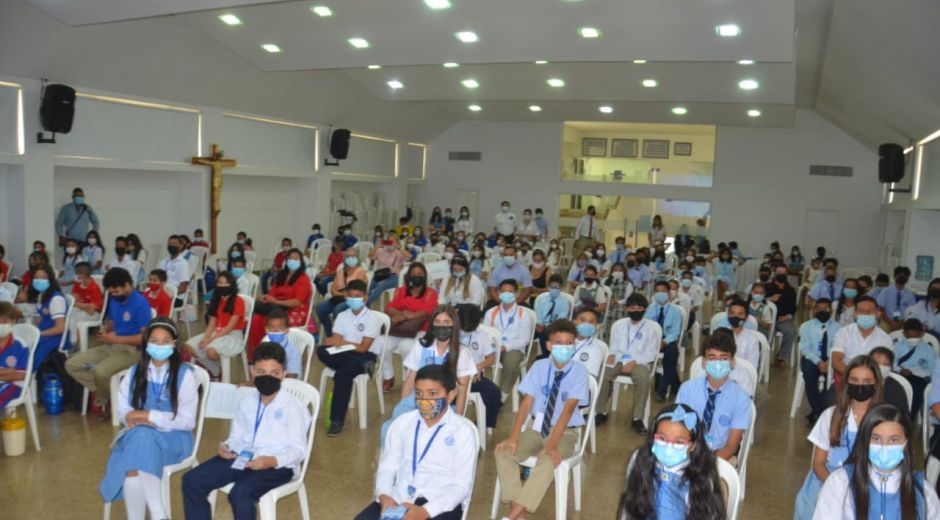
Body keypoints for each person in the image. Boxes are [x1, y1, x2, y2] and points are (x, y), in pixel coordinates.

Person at [183, 342, 310, 520]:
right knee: (192, 480)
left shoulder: (292, 407)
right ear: (252, 372)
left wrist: (271, 461)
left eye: (274, 373)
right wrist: (227, 446)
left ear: (282, 373)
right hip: (244, 456)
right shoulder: (247, 402)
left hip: (278, 466)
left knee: (240, 494)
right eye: (261, 372)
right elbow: (236, 437)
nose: (267, 377)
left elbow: (299, 451)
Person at [99, 318, 197, 520]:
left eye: (165, 341)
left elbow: (187, 420)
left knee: (138, 447)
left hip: (174, 438)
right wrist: (129, 416)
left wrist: (149, 415)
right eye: (154, 341)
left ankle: (155, 513)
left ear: (174, 344)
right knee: (140, 441)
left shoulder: (184, 375)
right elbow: (123, 406)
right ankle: (157, 514)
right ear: (146, 343)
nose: (160, 346)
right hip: (140, 434)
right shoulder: (136, 371)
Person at [494, 319, 590, 520]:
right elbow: (526, 404)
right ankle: (518, 513)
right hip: (535, 428)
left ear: (574, 345)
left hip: (564, 432)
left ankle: (511, 517)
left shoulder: (580, 371)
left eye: (569, 342)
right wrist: (513, 437)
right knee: (504, 452)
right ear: (548, 345)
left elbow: (567, 411)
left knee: (547, 461)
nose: (564, 347)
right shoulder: (539, 366)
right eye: (558, 342)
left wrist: (552, 445)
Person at [356, 365, 478, 520]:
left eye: (433, 393)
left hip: (439, 504)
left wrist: (426, 511)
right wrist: (385, 495)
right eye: (419, 393)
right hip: (400, 497)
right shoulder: (402, 424)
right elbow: (387, 468)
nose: (425, 400)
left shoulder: (463, 432)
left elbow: (461, 486)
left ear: (450, 395)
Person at [813, 403, 940, 519]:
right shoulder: (840, 482)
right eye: (876, 439)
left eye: (894, 440)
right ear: (865, 440)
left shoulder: (923, 491)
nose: (884, 447)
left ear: (906, 442)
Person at [794, 355, 882, 518]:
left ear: (876, 384)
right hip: (828, 479)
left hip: (868, 485)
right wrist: (838, 487)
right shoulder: (831, 415)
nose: (860, 386)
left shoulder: (884, 420)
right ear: (846, 383)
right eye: (854, 380)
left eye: (866, 381)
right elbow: (819, 464)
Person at [65, 268, 151, 419]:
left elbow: (145, 338)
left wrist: (116, 339)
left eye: (116, 291)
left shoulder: (141, 303)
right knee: (71, 364)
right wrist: (105, 332)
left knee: (100, 372)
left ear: (127, 285)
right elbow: (111, 323)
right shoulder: (114, 299)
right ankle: (111, 393)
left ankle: (106, 401)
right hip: (111, 345)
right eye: (111, 292)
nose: (114, 295)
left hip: (132, 350)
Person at [382, 306, 476, 443]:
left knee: (423, 433)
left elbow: (462, 390)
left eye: (446, 323)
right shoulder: (421, 346)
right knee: (390, 428)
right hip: (416, 400)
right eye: (437, 322)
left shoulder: (462, 352)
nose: (441, 326)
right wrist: (402, 405)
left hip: (442, 404)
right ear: (432, 325)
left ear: (454, 325)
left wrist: (458, 418)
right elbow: (410, 380)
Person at [619, 403, 726, 520]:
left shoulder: (701, 475)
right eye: (662, 438)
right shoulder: (639, 459)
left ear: (693, 445)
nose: (669, 447)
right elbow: (629, 505)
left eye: (679, 442)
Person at [317, 280, 382, 436]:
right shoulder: (342, 315)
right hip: (346, 355)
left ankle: (336, 421)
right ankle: (358, 366)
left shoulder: (371, 318)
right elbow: (334, 341)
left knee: (342, 374)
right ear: (346, 297)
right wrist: (338, 343)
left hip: (366, 355)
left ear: (365, 298)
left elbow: (363, 348)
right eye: (350, 296)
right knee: (321, 350)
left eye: (357, 296)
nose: (353, 299)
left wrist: (343, 342)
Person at [676, 331, 752, 462]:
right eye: (712, 358)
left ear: (732, 362)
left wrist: (708, 462)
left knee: (721, 478)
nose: (717, 363)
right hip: (688, 449)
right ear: (704, 362)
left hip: (721, 454)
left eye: (723, 358)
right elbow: (678, 428)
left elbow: (732, 446)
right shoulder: (687, 389)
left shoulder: (741, 399)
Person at [598, 293, 662, 433]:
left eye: (640, 308)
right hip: (619, 358)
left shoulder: (652, 327)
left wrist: (634, 362)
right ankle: (600, 412)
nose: (636, 311)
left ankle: (637, 418)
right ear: (627, 309)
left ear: (645, 309)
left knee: (643, 378)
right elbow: (613, 346)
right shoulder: (619, 325)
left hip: (640, 361)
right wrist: (610, 355)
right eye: (632, 308)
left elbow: (652, 352)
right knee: (603, 373)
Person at [381, 263, 439, 392]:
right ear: (409, 277)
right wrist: (402, 315)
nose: (417, 277)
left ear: (425, 276)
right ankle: (388, 376)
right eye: (413, 275)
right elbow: (389, 307)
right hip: (401, 329)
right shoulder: (402, 291)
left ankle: (412, 377)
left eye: (420, 274)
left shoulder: (431, 293)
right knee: (381, 343)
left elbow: (426, 312)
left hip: (421, 330)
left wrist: (407, 316)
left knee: (405, 346)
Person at [246, 249, 312, 355]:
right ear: (286, 261)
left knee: (269, 322)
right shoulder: (281, 275)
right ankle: (256, 353)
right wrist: (267, 297)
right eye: (290, 258)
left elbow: (297, 302)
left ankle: (272, 353)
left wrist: (276, 301)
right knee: (256, 319)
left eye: (296, 259)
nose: (293, 261)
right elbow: (273, 292)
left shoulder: (303, 278)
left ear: (301, 262)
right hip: (277, 306)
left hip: (295, 309)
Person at [184, 272, 246, 379]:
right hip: (217, 332)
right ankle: (215, 370)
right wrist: (205, 337)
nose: (222, 286)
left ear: (232, 285)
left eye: (226, 283)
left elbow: (229, 327)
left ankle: (218, 369)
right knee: (190, 346)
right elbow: (212, 323)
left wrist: (210, 340)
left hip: (232, 335)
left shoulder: (238, 301)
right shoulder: (216, 300)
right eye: (220, 283)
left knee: (211, 351)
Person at [484, 280, 533, 401]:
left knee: (511, 364)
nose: (507, 294)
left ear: (517, 293)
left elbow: (524, 339)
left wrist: (506, 347)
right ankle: (481, 392)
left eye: (511, 291)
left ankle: (501, 397)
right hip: (492, 347)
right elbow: (485, 333)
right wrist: (493, 346)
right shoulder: (491, 312)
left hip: (513, 348)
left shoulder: (523, 314)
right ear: (498, 293)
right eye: (503, 291)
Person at [458, 304, 503, 430]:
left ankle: (480, 427)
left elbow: (491, 357)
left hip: (474, 377)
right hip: (453, 376)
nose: (467, 328)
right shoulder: (451, 333)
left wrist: (478, 367)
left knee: (494, 393)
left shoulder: (482, 336)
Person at [799, 298, 841, 425]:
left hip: (831, 359)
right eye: (820, 308)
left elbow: (839, 348)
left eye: (826, 308)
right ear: (814, 310)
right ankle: (821, 414)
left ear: (831, 310)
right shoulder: (807, 326)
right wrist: (818, 362)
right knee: (809, 376)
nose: (823, 311)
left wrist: (828, 362)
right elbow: (805, 348)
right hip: (812, 358)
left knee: (835, 381)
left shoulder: (839, 328)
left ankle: (816, 412)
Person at [831, 296, 892, 383]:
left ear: (878, 313)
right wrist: (854, 376)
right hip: (846, 374)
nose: (866, 314)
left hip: (872, 379)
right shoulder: (843, 332)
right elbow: (836, 360)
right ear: (855, 314)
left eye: (870, 311)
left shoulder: (885, 338)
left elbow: (885, 366)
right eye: (861, 311)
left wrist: (867, 379)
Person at [316, 248, 368, 337]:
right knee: (320, 308)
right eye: (348, 256)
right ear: (345, 259)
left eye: (353, 256)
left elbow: (360, 290)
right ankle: (331, 334)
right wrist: (341, 294)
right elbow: (333, 290)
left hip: (354, 300)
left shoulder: (360, 272)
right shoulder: (341, 272)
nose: (351, 258)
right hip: (340, 298)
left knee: (338, 310)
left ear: (357, 258)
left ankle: (342, 335)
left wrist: (346, 295)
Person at [647, 281, 684, 401]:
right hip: (652, 340)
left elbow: (675, 332)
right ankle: (676, 385)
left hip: (668, 340)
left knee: (672, 352)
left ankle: (663, 389)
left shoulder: (676, 311)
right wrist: (654, 341)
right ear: (654, 294)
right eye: (657, 291)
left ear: (668, 294)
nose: (660, 294)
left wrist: (664, 342)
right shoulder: (650, 309)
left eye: (663, 291)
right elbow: (646, 327)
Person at [27, 264, 70, 364]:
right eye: (36, 277)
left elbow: (60, 328)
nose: (39, 280)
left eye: (43, 278)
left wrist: (38, 334)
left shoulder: (56, 299)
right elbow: (38, 320)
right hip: (44, 333)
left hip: (53, 338)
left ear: (50, 280)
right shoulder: (41, 295)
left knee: (28, 356)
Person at [893, 318, 934, 415]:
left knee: (917, 391)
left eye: (915, 337)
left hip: (920, 378)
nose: (912, 340)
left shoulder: (928, 349)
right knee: (898, 390)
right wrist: (900, 370)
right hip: (902, 375)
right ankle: (899, 415)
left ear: (921, 334)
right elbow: (892, 363)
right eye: (909, 337)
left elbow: (932, 368)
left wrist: (925, 374)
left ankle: (910, 417)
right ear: (904, 334)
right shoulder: (898, 346)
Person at [766, 263, 798, 367]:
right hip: (768, 318)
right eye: (779, 273)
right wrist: (770, 299)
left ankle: (782, 357)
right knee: (764, 332)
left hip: (782, 319)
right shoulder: (767, 287)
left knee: (790, 332)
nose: (781, 275)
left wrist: (787, 317)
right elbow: (759, 301)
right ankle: (763, 355)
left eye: (784, 273)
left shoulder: (790, 290)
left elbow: (793, 308)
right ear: (774, 273)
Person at [868, 347, 913, 418]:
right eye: (877, 363)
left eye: (886, 364)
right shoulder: (861, 383)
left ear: (890, 368)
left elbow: (901, 416)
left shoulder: (895, 388)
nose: (881, 367)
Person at [533, 274, 571, 358]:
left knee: (545, 333)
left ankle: (546, 356)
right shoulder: (542, 299)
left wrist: (547, 326)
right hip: (540, 325)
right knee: (528, 332)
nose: (554, 289)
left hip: (555, 326)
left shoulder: (565, 302)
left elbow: (562, 317)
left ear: (561, 287)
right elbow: (537, 312)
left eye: (557, 287)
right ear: (548, 286)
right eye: (552, 286)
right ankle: (524, 354)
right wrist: (539, 323)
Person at [0, 302, 29, 409]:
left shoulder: (20, 345)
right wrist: (8, 370)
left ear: (12, 322)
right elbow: (13, 371)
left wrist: (9, 372)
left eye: (4, 321)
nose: (1, 325)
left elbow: (21, 375)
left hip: (14, 385)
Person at [68, 262, 104, 346]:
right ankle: (74, 341)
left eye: (77, 274)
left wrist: (79, 304)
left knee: (74, 319)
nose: (75, 276)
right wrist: (84, 305)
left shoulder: (94, 287)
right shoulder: (78, 284)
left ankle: (74, 343)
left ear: (84, 274)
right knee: (70, 313)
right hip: (83, 310)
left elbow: (92, 310)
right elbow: (73, 299)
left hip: (95, 314)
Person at [366, 236, 405, 306]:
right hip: (380, 275)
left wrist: (399, 248)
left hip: (394, 277)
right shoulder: (380, 251)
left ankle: (365, 304)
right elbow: (369, 256)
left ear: (397, 243)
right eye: (389, 241)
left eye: (393, 241)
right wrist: (377, 247)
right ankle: (367, 305)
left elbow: (409, 257)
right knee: (370, 285)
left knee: (381, 284)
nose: (391, 243)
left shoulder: (399, 252)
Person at [877, 266, 917, 330]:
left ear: (908, 278)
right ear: (894, 276)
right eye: (899, 275)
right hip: (886, 321)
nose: (902, 277)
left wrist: (901, 323)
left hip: (903, 323)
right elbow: (881, 309)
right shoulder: (885, 291)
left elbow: (911, 312)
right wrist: (890, 322)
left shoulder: (910, 295)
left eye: (904, 276)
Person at [158, 235, 191, 308]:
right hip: (162, 294)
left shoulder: (183, 263)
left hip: (176, 297)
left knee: (158, 302)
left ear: (181, 246)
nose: (172, 246)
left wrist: (169, 295)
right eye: (170, 244)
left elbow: (183, 287)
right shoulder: (163, 262)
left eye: (175, 244)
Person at [571, 308, 605, 379]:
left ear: (596, 326)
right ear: (574, 322)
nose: (586, 324)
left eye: (591, 322)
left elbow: (588, 379)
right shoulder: (562, 342)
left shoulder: (596, 350)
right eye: (582, 320)